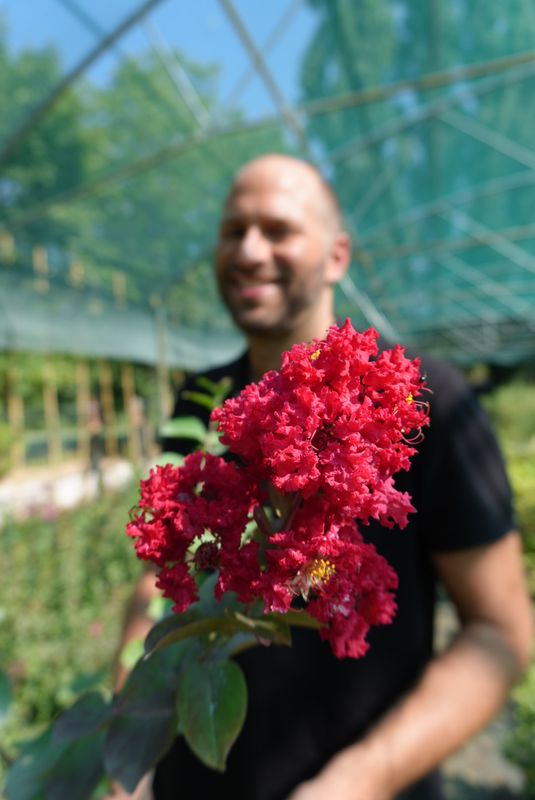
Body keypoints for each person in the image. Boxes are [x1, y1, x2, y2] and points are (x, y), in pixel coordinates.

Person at [115, 154, 533, 800]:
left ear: (337, 256)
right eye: (232, 230)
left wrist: (355, 782)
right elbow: (157, 575)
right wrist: (127, 749)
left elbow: (502, 634)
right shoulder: (202, 397)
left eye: (278, 230)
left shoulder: (429, 404)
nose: (249, 250)